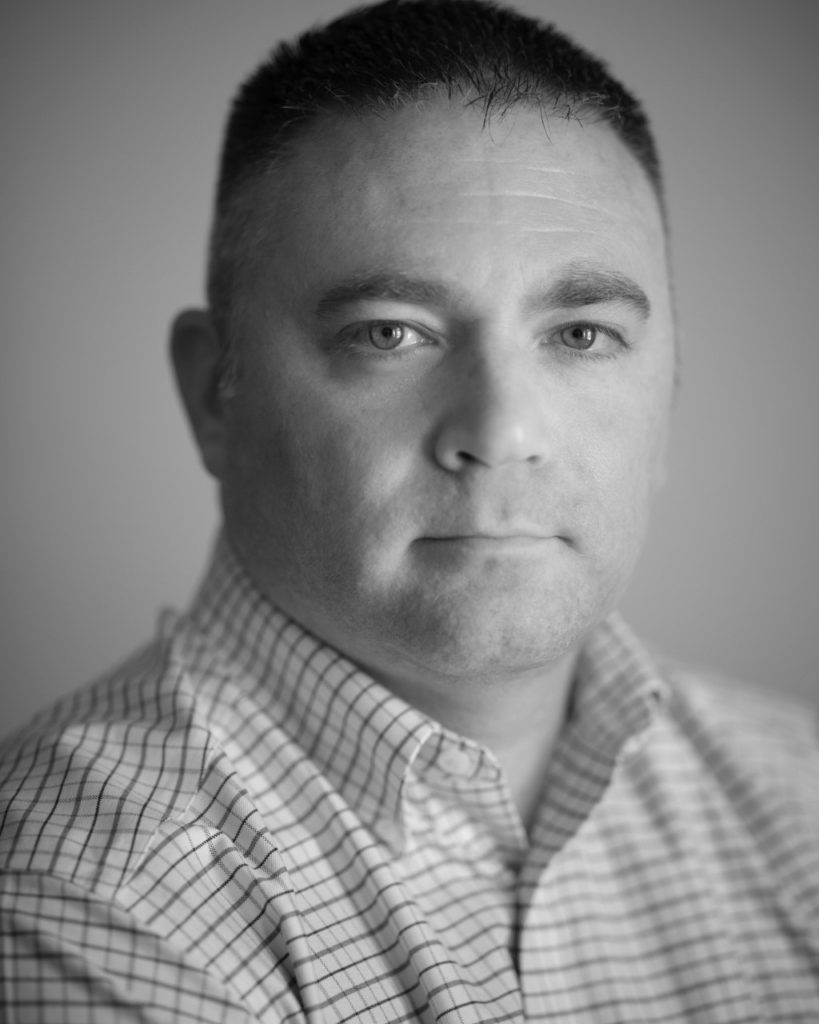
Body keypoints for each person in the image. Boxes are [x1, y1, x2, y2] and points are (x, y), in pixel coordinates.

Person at [1, 0, 817, 1019]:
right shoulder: (80, 897)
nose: (502, 428)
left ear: (673, 387)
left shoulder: (798, 795)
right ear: (216, 390)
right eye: (392, 333)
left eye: (581, 335)